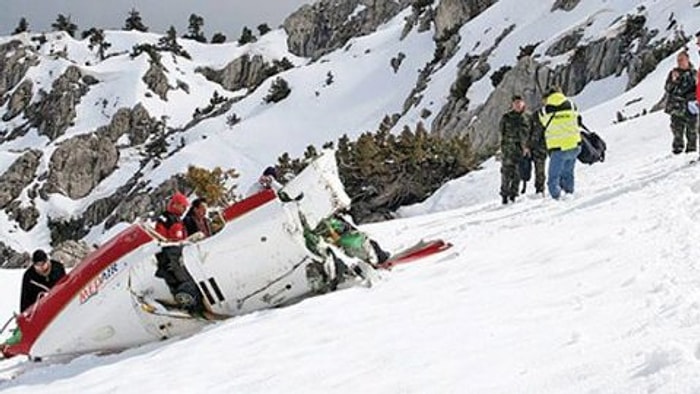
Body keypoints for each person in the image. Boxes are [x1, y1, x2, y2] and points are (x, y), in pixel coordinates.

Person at [154, 192, 204, 313]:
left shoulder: (166, 218)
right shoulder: (173, 221)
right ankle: (194, 308)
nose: (184, 210)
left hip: (166, 257)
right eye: (183, 207)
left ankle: (189, 305)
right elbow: (175, 240)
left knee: (177, 283)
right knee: (186, 281)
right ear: (176, 205)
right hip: (172, 256)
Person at [538, 87, 583, 200]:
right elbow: (578, 120)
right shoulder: (572, 105)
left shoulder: (544, 111)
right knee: (568, 173)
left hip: (558, 148)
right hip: (574, 145)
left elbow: (543, 123)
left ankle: (556, 197)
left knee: (554, 177)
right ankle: (569, 193)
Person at [499, 95, 531, 204]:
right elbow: (501, 132)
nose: (517, 105)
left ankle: (513, 195)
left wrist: (527, 147)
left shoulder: (527, 117)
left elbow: (531, 133)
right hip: (508, 150)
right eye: (515, 103)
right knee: (506, 173)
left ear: (523, 103)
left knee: (518, 173)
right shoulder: (506, 117)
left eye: (519, 102)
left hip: (521, 150)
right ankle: (504, 195)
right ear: (512, 104)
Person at [663, 50, 697, 154]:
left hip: (690, 105)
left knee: (692, 129)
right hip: (676, 106)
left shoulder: (694, 73)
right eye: (678, 60)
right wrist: (674, 80)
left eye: (682, 60)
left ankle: (691, 149)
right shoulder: (674, 73)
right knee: (677, 128)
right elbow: (667, 88)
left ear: (687, 60)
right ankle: (677, 149)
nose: (679, 62)